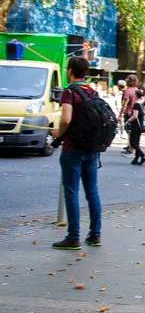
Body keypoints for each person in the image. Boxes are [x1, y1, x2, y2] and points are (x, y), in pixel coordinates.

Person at [51, 56, 102, 250]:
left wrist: (57, 133)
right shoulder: (92, 91)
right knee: (92, 191)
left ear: (71, 71)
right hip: (91, 148)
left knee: (71, 192)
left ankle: (73, 236)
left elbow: (66, 119)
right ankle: (95, 234)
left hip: (72, 148)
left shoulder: (69, 92)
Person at [125, 90, 145, 166]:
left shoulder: (136, 105)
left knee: (133, 142)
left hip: (136, 125)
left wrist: (128, 121)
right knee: (137, 142)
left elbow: (135, 116)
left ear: (136, 96)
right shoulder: (142, 104)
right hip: (141, 124)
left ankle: (143, 156)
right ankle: (136, 158)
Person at [120, 75, 138, 157]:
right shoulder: (137, 91)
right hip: (137, 113)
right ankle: (132, 147)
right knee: (134, 131)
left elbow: (124, 104)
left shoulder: (127, 92)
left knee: (129, 131)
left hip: (129, 113)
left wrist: (120, 115)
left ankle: (131, 148)